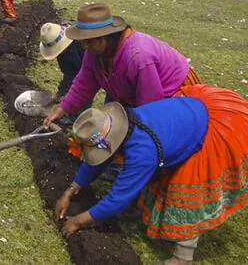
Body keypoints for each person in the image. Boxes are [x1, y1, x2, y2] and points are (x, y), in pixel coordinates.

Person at [55, 84, 248, 265]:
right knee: (155, 180)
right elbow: (99, 159)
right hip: (187, 115)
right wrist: (71, 190)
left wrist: (77, 221)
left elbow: (119, 198)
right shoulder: (125, 123)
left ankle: (183, 257)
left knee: (185, 195)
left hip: (215, 129)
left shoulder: (142, 151)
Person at [44, 3, 201, 126]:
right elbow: (84, 82)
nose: (85, 46)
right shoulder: (95, 51)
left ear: (105, 36)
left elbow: (150, 106)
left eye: (89, 40)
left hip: (173, 91)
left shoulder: (138, 57)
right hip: (141, 95)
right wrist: (62, 109)